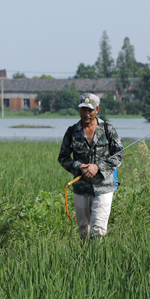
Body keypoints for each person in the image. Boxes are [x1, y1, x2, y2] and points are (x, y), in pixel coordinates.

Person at [58, 93, 124, 241]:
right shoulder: (71, 131)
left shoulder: (108, 129)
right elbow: (63, 158)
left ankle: (98, 260)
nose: (86, 114)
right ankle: (85, 260)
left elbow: (118, 155)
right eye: (83, 109)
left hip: (104, 186)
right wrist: (79, 166)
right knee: (84, 230)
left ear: (97, 110)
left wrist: (98, 168)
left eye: (90, 110)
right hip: (81, 187)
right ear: (79, 110)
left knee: (98, 230)